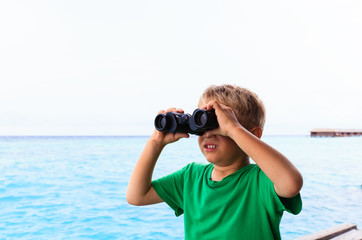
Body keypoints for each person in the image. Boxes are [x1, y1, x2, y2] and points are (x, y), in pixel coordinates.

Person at [127, 84, 303, 240]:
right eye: (201, 125)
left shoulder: (261, 180)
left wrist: (234, 129)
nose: (208, 134)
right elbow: (136, 196)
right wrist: (155, 143)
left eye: (218, 125)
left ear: (252, 134)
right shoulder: (190, 178)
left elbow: (291, 183)